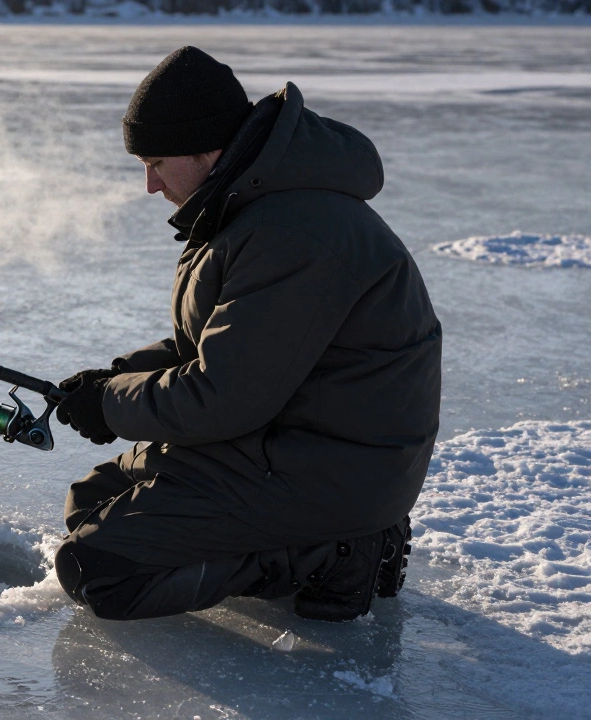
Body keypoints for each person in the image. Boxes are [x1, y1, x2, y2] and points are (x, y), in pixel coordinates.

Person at [53, 46, 441, 623]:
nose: (150, 185)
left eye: (157, 162)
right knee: (90, 503)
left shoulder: (294, 233)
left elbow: (223, 396)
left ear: (207, 149)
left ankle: (336, 551)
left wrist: (110, 406)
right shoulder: (252, 206)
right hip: (284, 439)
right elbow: (221, 343)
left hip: (330, 468)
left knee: (100, 570)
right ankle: (316, 540)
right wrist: (115, 377)